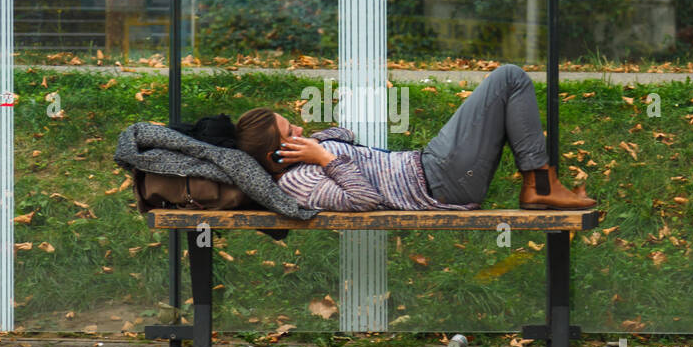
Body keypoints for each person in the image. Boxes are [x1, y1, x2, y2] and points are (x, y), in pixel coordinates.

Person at [234, 64, 595, 213]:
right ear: (275, 158)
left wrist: (318, 147)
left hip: (432, 165)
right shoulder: (300, 181)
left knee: (508, 80)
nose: (298, 130)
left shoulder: (306, 158)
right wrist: (325, 159)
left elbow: (345, 135)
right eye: (289, 133)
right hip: (441, 179)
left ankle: (540, 183)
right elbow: (364, 200)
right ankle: (541, 183)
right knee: (510, 78)